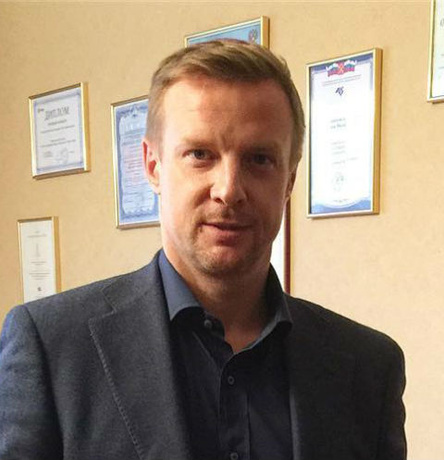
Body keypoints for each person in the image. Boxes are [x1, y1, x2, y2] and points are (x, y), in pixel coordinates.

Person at [0, 40, 406, 460]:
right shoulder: (52, 349)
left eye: (259, 159)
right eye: (199, 154)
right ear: (153, 165)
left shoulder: (369, 368)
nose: (229, 190)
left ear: (288, 179)